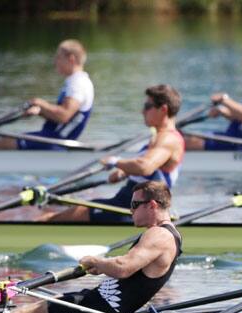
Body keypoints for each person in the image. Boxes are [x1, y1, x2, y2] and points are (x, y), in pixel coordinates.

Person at [0, 181, 182, 313]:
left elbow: (123, 268)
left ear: (152, 205)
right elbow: (128, 265)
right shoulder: (166, 235)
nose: (130, 211)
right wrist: (104, 266)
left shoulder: (159, 235)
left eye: (134, 205)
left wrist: (96, 261)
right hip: (96, 302)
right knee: (37, 306)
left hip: (100, 310)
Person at [40, 84, 185, 223]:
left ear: (163, 110)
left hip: (134, 210)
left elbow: (145, 166)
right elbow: (150, 171)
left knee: (52, 218)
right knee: (59, 213)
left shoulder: (168, 139)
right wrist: (124, 172)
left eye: (148, 107)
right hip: (129, 203)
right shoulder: (159, 137)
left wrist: (115, 161)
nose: (142, 111)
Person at [0, 39, 94, 151]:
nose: (55, 61)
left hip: (56, 141)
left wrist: (40, 103)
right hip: (52, 138)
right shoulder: (76, 81)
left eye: (58, 57)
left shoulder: (77, 83)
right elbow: (63, 117)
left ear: (71, 59)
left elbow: (64, 116)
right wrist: (40, 111)